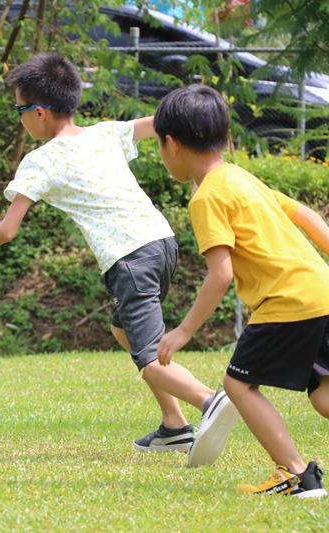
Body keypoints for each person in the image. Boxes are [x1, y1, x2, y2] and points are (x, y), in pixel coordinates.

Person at [0, 53, 238, 462]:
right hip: (161, 243)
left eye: (19, 110)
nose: (20, 119)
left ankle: (209, 401)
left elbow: (8, 228)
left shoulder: (40, 160)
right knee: (123, 330)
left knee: (147, 357)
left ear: (38, 112)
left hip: (129, 258)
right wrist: (197, 98)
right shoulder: (104, 133)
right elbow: (163, 121)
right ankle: (174, 425)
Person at [154, 84, 329, 497]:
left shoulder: (207, 197)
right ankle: (298, 475)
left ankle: (298, 475)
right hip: (320, 288)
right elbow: (305, 215)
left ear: (172, 144)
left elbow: (220, 274)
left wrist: (183, 331)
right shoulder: (239, 177)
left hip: (286, 301)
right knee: (323, 395)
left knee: (237, 385)